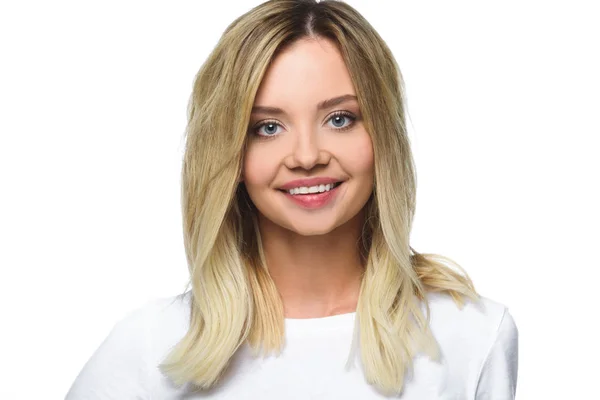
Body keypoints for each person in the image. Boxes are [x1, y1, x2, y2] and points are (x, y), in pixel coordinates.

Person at [66, 0, 518, 398]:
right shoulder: (152, 348)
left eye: (340, 119)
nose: (306, 156)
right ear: (229, 154)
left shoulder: (471, 336)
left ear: (383, 135)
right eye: (267, 127)